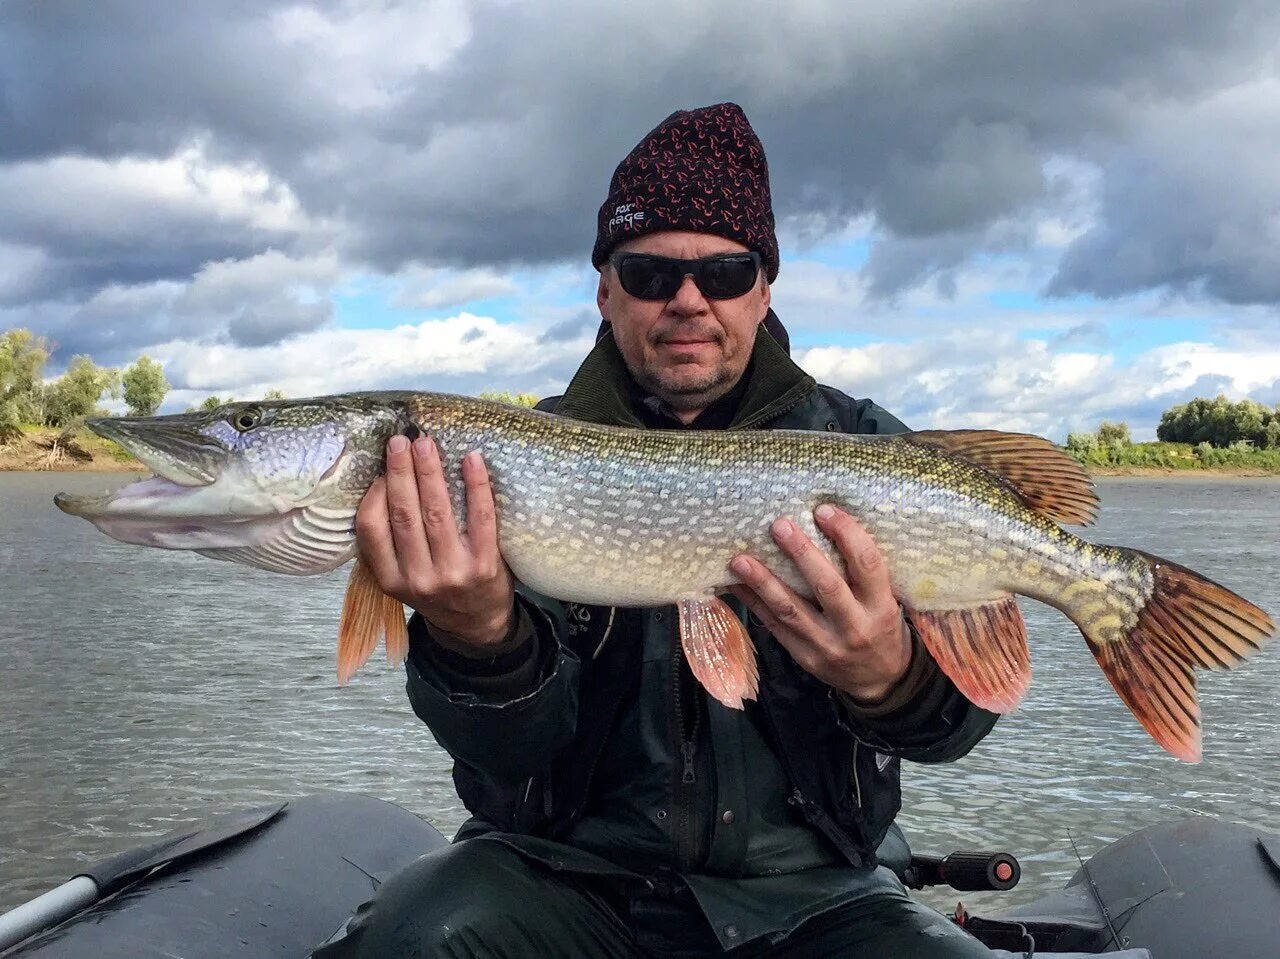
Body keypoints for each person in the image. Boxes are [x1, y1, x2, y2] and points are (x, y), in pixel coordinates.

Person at [315, 103, 999, 957]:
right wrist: (476, 637)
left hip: (818, 895)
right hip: (562, 876)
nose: (686, 300)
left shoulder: (864, 444)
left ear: (764, 289)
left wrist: (888, 676)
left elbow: (958, 725)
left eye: (723, 270)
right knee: (410, 940)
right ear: (605, 289)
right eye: (647, 273)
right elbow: (507, 753)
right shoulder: (508, 462)